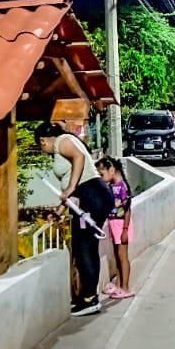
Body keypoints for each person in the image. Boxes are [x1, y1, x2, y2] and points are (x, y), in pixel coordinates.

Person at [37, 123, 113, 317]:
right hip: (89, 196)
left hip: (93, 195)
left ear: (44, 139)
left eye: (41, 144)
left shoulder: (63, 141)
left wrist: (70, 187)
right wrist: (60, 210)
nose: (42, 148)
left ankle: (90, 299)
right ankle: (87, 296)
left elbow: (78, 159)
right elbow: (72, 189)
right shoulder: (62, 145)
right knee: (83, 246)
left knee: (85, 246)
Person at [97, 156, 134, 299]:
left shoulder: (122, 187)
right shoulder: (112, 186)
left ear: (112, 170)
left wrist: (125, 229)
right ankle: (119, 284)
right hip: (114, 223)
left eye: (102, 174)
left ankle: (125, 287)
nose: (101, 177)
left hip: (121, 224)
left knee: (123, 256)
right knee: (117, 256)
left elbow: (127, 210)